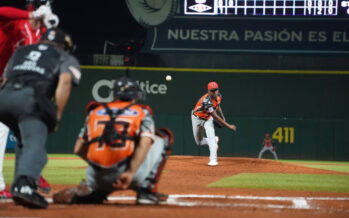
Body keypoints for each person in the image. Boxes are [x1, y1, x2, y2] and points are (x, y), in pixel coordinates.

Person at [52, 76, 173, 205]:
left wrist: (101, 168)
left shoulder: (95, 111)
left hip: (96, 178)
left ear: (114, 94)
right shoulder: (141, 111)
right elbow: (145, 142)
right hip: (127, 176)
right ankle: (147, 191)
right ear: (136, 95)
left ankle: (97, 192)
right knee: (163, 137)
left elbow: (77, 149)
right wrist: (130, 172)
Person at [0, 28, 81, 208]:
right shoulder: (64, 57)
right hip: (29, 98)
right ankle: (24, 187)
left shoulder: (21, 51)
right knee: (36, 147)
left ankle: (18, 185)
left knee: (23, 142)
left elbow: (4, 78)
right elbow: (66, 81)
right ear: (63, 45)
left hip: (4, 96)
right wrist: (57, 114)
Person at [0, 1, 59, 198]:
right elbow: (1, 12)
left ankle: (31, 173)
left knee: (25, 128)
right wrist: (30, 17)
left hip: (7, 84)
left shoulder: (37, 33)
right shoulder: (16, 23)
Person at [191, 81, 237, 166]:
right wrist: (228, 125)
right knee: (199, 142)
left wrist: (223, 116)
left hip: (207, 118)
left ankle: (213, 159)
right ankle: (214, 140)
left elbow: (217, 106)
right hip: (197, 118)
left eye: (216, 90)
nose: (215, 92)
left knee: (210, 136)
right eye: (212, 90)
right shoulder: (206, 101)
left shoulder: (219, 96)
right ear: (208, 91)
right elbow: (215, 116)